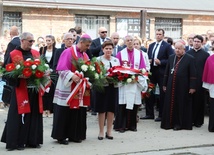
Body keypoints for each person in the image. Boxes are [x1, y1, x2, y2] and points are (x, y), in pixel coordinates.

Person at [1, 32, 43, 150]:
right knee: (18, 115)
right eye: (30, 41)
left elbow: (41, 68)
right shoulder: (13, 54)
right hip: (20, 89)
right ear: (22, 40)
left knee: (33, 114)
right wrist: (18, 77)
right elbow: (7, 72)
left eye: (33, 41)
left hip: (33, 88)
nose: (32, 43)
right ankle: (16, 142)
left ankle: (32, 140)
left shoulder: (35, 53)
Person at [51, 34, 92, 144]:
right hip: (67, 86)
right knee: (64, 111)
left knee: (77, 111)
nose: (88, 48)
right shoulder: (68, 52)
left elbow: (88, 69)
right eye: (87, 45)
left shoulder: (85, 55)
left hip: (79, 87)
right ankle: (61, 136)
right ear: (81, 42)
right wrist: (72, 76)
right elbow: (60, 68)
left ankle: (75, 134)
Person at [114, 35, 147, 132]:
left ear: (134, 41)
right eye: (127, 40)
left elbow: (142, 68)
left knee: (134, 104)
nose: (130, 42)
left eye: (131, 40)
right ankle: (122, 126)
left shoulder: (139, 54)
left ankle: (132, 125)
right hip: (124, 83)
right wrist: (124, 77)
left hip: (135, 83)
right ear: (124, 42)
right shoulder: (120, 54)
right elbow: (117, 68)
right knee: (123, 105)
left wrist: (136, 77)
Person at [161, 41, 197, 130]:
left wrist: (192, 87)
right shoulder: (171, 57)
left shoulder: (190, 58)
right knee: (170, 103)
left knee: (180, 104)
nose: (177, 50)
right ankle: (168, 123)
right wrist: (164, 84)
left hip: (183, 86)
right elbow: (166, 72)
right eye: (176, 48)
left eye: (179, 49)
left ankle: (179, 124)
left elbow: (193, 74)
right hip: (170, 85)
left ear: (183, 49)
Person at [142, 28, 174, 121]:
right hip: (152, 71)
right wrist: (150, 61)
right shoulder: (151, 45)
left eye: (160, 34)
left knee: (162, 93)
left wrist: (161, 62)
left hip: (162, 72)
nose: (158, 36)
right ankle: (149, 114)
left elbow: (170, 59)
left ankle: (161, 115)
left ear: (163, 35)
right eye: (157, 34)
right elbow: (148, 57)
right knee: (149, 92)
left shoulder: (167, 46)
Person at [95, 41, 120, 140]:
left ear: (113, 50)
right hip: (102, 87)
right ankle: (101, 131)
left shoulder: (116, 60)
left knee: (111, 109)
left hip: (113, 87)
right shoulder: (98, 60)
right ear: (103, 49)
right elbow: (95, 74)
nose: (108, 50)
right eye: (106, 48)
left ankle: (109, 131)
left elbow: (119, 73)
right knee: (102, 109)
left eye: (110, 48)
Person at [187, 35, 209, 128]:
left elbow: (207, 69)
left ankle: (198, 121)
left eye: (198, 41)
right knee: (189, 101)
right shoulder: (188, 53)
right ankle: (189, 120)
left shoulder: (205, 54)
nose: (196, 43)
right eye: (194, 41)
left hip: (200, 81)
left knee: (199, 102)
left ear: (202, 42)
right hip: (189, 81)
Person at [39, 35, 57, 117]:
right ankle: (43, 110)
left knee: (51, 92)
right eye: (47, 40)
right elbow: (39, 60)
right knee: (44, 91)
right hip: (44, 73)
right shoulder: (42, 49)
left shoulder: (56, 50)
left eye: (49, 40)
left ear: (53, 41)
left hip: (52, 74)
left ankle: (49, 110)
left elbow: (57, 61)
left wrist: (52, 70)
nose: (48, 42)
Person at [202, 54, 214, 132]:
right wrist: (207, 85)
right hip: (213, 85)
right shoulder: (210, 59)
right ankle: (212, 126)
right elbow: (207, 71)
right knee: (213, 107)